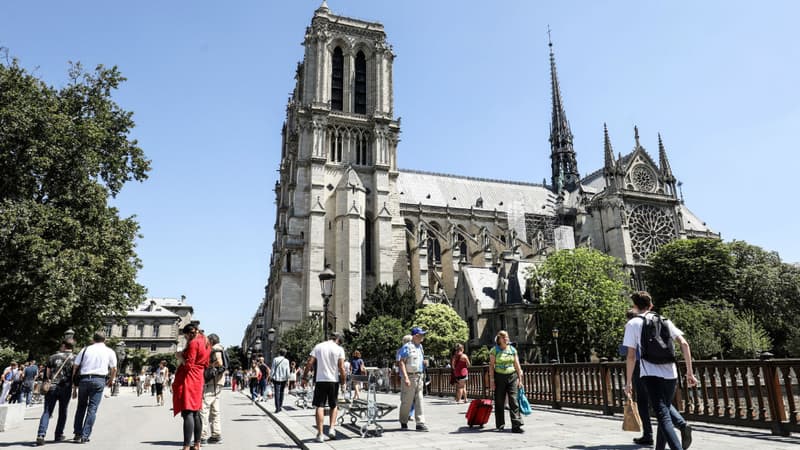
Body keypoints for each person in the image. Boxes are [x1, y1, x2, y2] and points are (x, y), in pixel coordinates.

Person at [624, 291, 697, 450]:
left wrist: (628, 382)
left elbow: (631, 356)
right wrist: (690, 373)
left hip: (650, 373)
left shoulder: (632, 324)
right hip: (671, 373)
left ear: (635, 306)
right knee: (664, 409)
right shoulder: (664, 320)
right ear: (651, 305)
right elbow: (684, 344)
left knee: (663, 416)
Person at [71, 331, 118, 443]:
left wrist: (74, 385)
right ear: (105, 340)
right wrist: (111, 380)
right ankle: (85, 435)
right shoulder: (109, 351)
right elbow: (114, 368)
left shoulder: (85, 349)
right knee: (92, 409)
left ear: (93, 339)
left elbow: (75, 366)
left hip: (84, 379)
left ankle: (77, 433)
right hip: (99, 380)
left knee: (81, 407)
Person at [172, 323, 211, 450]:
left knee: (188, 411)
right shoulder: (205, 341)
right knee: (196, 412)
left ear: (189, 334)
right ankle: (197, 444)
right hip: (199, 377)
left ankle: (186, 446)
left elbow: (188, 365)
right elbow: (205, 363)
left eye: (186, 336)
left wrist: (180, 356)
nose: (186, 339)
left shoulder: (194, 343)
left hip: (190, 378)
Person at [303, 332, 346, 443]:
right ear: (338, 339)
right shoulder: (339, 349)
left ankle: (320, 434)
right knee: (334, 405)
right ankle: (332, 428)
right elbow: (341, 367)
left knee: (319, 406)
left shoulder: (319, 346)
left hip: (320, 380)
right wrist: (343, 382)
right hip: (333, 381)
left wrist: (304, 377)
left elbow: (310, 362)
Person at [34, 339, 75, 445]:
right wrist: (75, 388)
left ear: (63, 346)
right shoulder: (74, 358)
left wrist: (45, 384)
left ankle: (41, 435)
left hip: (51, 387)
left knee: (47, 411)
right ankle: (58, 434)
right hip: (66, 387)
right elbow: (75, 375)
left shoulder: (53, 357)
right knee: (63, 411)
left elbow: (46, 374)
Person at [489, 330, 525, 433]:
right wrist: (492, 380)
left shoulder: (512, 350)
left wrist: (520, 379)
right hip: (499, 377)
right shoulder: (494, 350)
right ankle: (500, 424)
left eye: (507, 337)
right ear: (499, 339)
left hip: (512, 376)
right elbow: (491, 366)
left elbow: (517, 364)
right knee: (499, 401)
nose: (506, 338)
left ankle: (516, 425)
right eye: (504, 337)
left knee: (513, 400)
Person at [397, 326, 429, 432]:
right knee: (407, 401)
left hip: (419, 376)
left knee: (419, 399)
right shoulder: (407, 347)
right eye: (421, 334)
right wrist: (405, 377)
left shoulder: (420, 347)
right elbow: (401, 362)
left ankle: (420, 423)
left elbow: (419, 360)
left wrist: (424, 363)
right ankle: (403, 421)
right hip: (410, 376)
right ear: (416, 336)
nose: (423, 336)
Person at [201, 333, 224, 445]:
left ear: (211, 341)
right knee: (215, 410)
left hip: (212, 382)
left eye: (207, 340)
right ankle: (216, 435)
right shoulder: (221, 348)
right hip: (218, 382)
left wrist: (209, 365)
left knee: (203, 408)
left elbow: (219, 363)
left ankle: (202, 436)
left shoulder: (215, 349)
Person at [270, 348, 290, 412]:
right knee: (282, 392)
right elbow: (288, 370)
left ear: (279, 353)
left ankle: (277, 407)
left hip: (276, 378)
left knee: (276, 393)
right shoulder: (286, 361)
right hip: (284, 379)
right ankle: (280, 406)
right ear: (285, 354)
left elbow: (272, 369)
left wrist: (271, 377)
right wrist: (288, 379)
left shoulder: (275, 359)